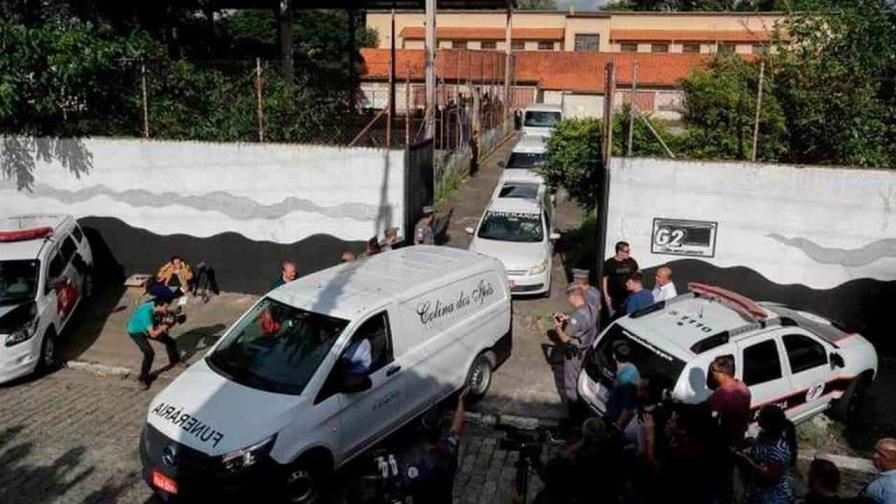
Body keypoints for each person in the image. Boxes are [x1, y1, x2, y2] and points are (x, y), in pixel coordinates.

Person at [402, 388, 469, 504]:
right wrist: (461, 401)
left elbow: (406, 486)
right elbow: (457, 426)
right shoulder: (449, 449)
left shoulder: (416, 461)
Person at [707, 354, 753, 503]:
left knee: (720, 477)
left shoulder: (720, 395)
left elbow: (712, 419)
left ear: (724, 374)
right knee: (729, 475)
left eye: (714, 374)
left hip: (722, 443)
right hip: (737, 440)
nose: (713, 377)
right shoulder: (743, 388)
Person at [549, 284, 597, 417]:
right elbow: (584, 322)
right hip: (586, 349)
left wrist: (558, 326)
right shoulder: (591, 308)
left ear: (574, 296)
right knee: (579, 379)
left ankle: (574, 413)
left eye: (569, 298)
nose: (568, 301)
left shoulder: (577, 316)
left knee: (570, 384)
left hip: (574, 353)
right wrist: (568, 318)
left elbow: (564, 338)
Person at [736, 405, 795, 504]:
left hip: (771, 496)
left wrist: (747, 461)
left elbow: (772, 477)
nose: (758, 418)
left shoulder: (778, 449)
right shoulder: (766, 435)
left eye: (761, 416)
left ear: (769, 423)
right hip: (757, 489)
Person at [127, 295, 182, 390]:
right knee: (149, 353)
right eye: (165, 307)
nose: (167, 309)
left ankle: (175, 361)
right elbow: (153, 334)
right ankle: (142, 379)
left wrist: (171, 314)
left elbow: (159, 316)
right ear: (159, 306)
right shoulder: (146, 315)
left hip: (146, 327)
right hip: (136, 332)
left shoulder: (153, 304)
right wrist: (165, 325)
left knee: (170, 341)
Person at [604, 341, 640, 430]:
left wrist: (618, 424)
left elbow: (628, 407)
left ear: (614, 356)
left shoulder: (625, 380)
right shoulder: (631, 368)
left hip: (617, 414)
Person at [603, 241, 639, 318]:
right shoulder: (609, 263)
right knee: (613, 317)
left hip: (628, 295)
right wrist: (606, 295)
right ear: (619, 251)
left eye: (629, 251)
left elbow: (637, 274)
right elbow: (604, 279)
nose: (629, 253)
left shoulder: (631, 261)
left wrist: (636, 290)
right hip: (614, 297)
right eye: (627, 251)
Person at [863, 438, 896, 504]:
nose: (874, 456)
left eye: (881, 455)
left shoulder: (891, 487)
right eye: (875, 452)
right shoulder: (885, 476)